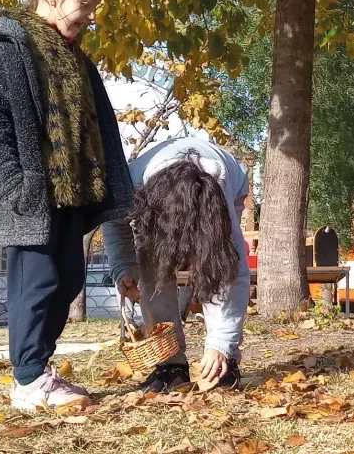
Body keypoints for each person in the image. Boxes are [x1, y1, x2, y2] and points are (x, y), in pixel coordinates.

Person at [0, 0, 134, 409]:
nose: (92, 16)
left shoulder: (76, 57)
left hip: (72, 192)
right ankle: (28, 380)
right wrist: (13, 187)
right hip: (31, 196)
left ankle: (39, 370)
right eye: (86, 4)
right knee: (36, 285)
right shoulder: (7, 50)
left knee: (68, 279)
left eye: (96, 6)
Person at [103, 137, 251, 393]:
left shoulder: (218, 193)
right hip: (155, 199)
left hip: (228, 187)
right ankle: (172, 364)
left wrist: (221, 343)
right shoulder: (132, 184)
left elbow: (233, 273)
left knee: (215, 266)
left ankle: (225, 361)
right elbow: (113, 223)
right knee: (152, 269)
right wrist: (124, 267)